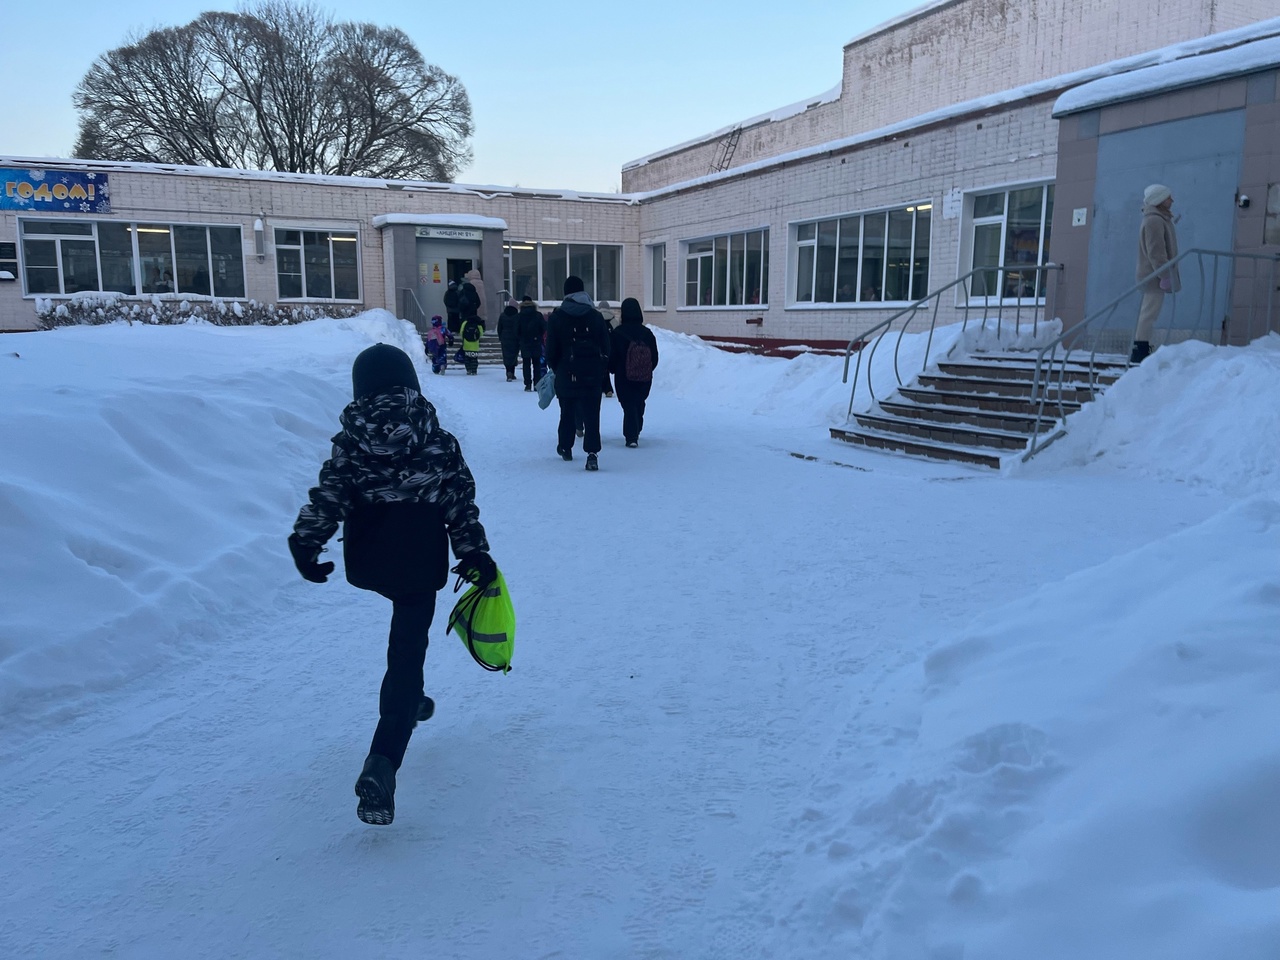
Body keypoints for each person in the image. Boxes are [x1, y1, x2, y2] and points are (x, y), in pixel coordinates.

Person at [287, 343, 497, 826]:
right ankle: (383, 758)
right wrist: (473, 553)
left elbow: (331, 493)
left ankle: (412, 698)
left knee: (406, 651)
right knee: (407, 650)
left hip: (370, 558)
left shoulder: (351, 440)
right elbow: (459, 504)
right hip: (419, 560)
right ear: (411, 385)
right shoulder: (437, 438)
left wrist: (306, 541)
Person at [544, 275, 610, 472]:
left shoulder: (557, 317)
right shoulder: (595, 316)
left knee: (567, 412)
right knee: (592, 414)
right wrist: (600, 366)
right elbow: (606, 346)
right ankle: (592, 454)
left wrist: (558, 368)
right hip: (591, 373)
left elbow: (550, 350)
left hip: (566, 372)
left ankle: (565, 447)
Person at [1132, 183, 1180, 364]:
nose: (1171, 200)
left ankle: (1142, 348)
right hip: (1154, 276)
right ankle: (1140, 351)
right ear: (1159, 199)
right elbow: (1156, 251)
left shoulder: (1159, 218)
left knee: (1149, 313)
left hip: (1155, 275)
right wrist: (1164, 274)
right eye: (1168, 197)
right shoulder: (1154, 220)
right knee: (1149, 314)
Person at [608, 298, 660, 447]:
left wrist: (613, 369)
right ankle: (636, 426)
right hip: (644, 377)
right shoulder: (647, 334)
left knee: (628, 404)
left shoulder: (617, 333)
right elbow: (654, 357)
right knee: (639, 401)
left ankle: (631, 436)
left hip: (623, 376)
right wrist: (647, 369)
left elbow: (612, 357)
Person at [517, 296, 546, 391]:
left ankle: (528, 384)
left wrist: (520, 339)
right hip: (536, 341)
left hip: (524, 342)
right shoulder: (538, 315)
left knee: (526, 364)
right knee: (536, 364)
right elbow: (543, 327)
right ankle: (537, 384)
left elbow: (517, 330)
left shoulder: (519, 315)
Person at [497, 300, 521, 381]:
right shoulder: (517, 316)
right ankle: (512, 372)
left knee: (506, 355)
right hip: (515, 337)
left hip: (505, 337)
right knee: (514, 354)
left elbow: (499, 327)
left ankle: (508, 372)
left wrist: (500, 336)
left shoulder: (503, 315)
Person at [461, 310, 483, 375]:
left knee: (467, 358)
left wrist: (464, 339)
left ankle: (468, 369)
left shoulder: (465, 323)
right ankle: (474, 370)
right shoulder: (477, 323)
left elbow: (461, 331)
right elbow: (481, 333)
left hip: (466, 344)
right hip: (475, 345)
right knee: (474, 359)